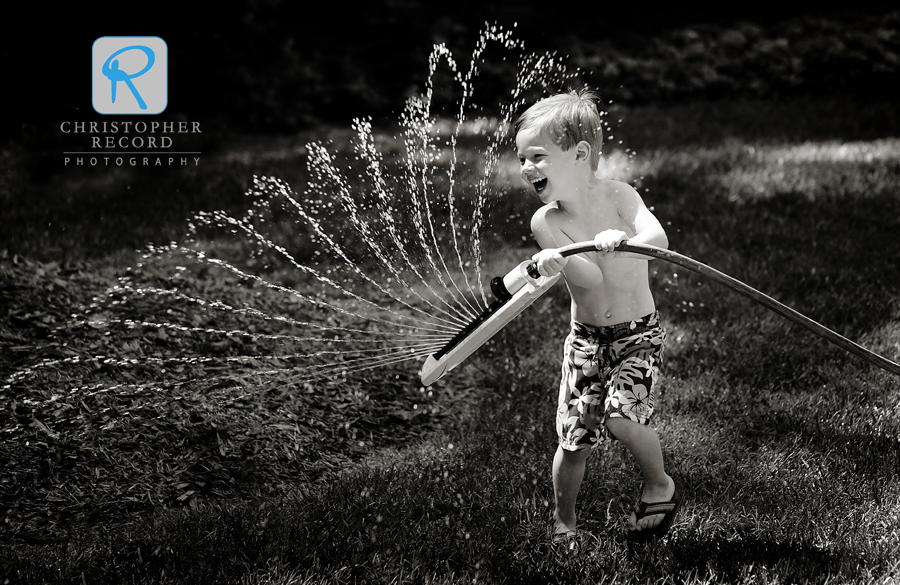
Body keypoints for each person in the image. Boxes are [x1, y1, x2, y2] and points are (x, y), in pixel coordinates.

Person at [515, 88, 683, 545]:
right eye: (522, 158)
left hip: (637, 336)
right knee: (573, 440)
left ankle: (659, 485)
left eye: (538, 156)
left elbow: (658, 238)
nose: (527, 167)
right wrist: (560, 261)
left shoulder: (620, 197)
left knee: (621, 418)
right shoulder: (546, 221)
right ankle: (564, 521)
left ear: (580, 153)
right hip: (587, 342)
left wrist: (624, 238)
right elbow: (586, 278)